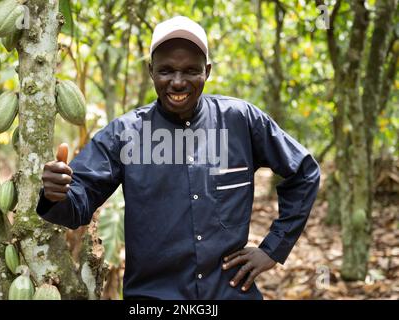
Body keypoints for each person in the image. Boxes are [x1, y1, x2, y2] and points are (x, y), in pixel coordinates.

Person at [36, 16, 320, 300]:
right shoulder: (125, 134)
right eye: (166, 71)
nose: (178, 82)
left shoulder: (240, 121)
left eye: (191, 71)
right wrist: (55, 194)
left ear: (206, 71)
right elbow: (76, 204)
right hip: (155, 299)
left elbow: (304, 172)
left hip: (230, 293)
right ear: (151, 71)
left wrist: (273, 248)